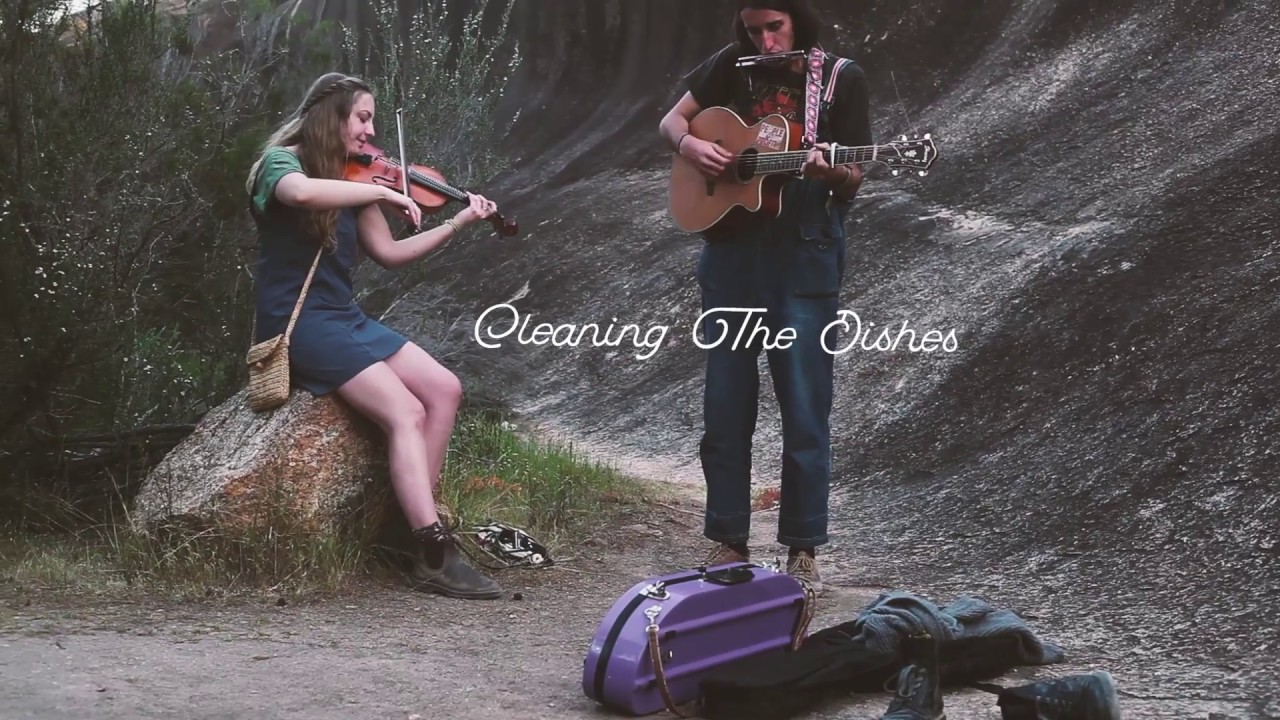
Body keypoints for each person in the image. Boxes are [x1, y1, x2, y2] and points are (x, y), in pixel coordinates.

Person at [244, 72, 502, 600]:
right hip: (301, 322)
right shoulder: (282, 162)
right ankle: (434, 548)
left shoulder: (357, 181)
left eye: (372, 120)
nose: (370, 131)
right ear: (330, 114)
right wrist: (370, 188)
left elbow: (390, 254)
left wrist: (458, 224)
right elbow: (298, 192)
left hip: (344, 315)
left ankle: (407, 528)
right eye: (362, 117)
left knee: (444, 389)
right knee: (404, 411)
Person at [658, 0, 873, 594]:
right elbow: (672, 121)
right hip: (729, 256)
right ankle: (728, 538)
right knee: (725, 404)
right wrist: (690, 148)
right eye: (755, 30)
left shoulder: (838, 80)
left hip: (803, 256)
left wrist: (832, 173)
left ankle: (802, 547)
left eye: (775, 27)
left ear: (798, 21)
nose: (767, 41)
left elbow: (856, 173)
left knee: (805, 407)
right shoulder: (732, 64)